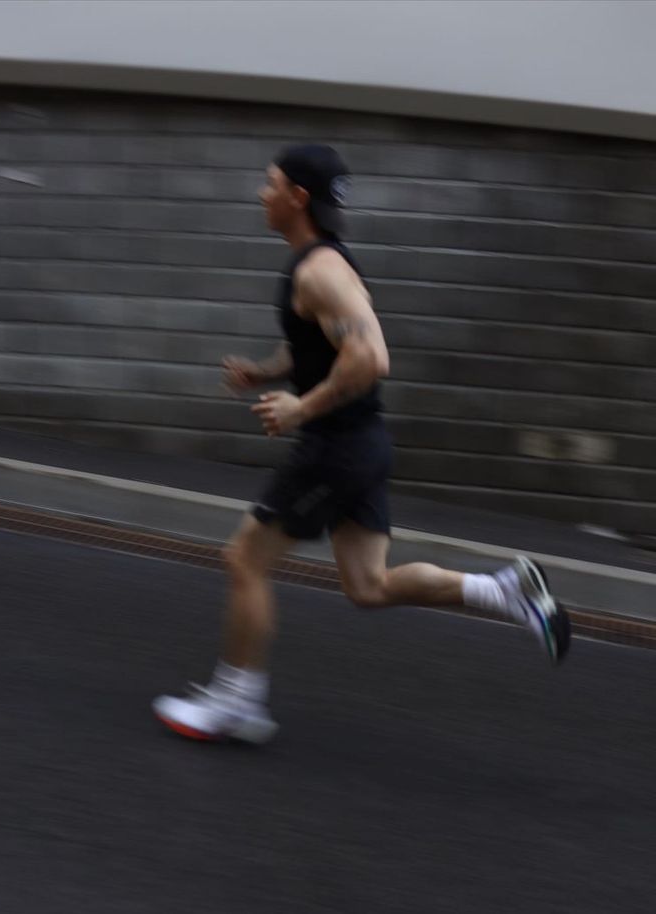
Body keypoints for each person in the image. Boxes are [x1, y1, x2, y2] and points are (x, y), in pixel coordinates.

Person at [152, 144, 570, 744]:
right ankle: (505, 591)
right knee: (368, 586)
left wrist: (303, 406)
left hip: (336, 448)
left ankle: (235, 700)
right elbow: (321, 347)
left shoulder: (319, 271)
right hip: (363, 443)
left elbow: (370, 356)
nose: (261, 194)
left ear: (298, 196)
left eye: (270, 184)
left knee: (245, 559)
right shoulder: (324, 264)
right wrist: (268, 374)